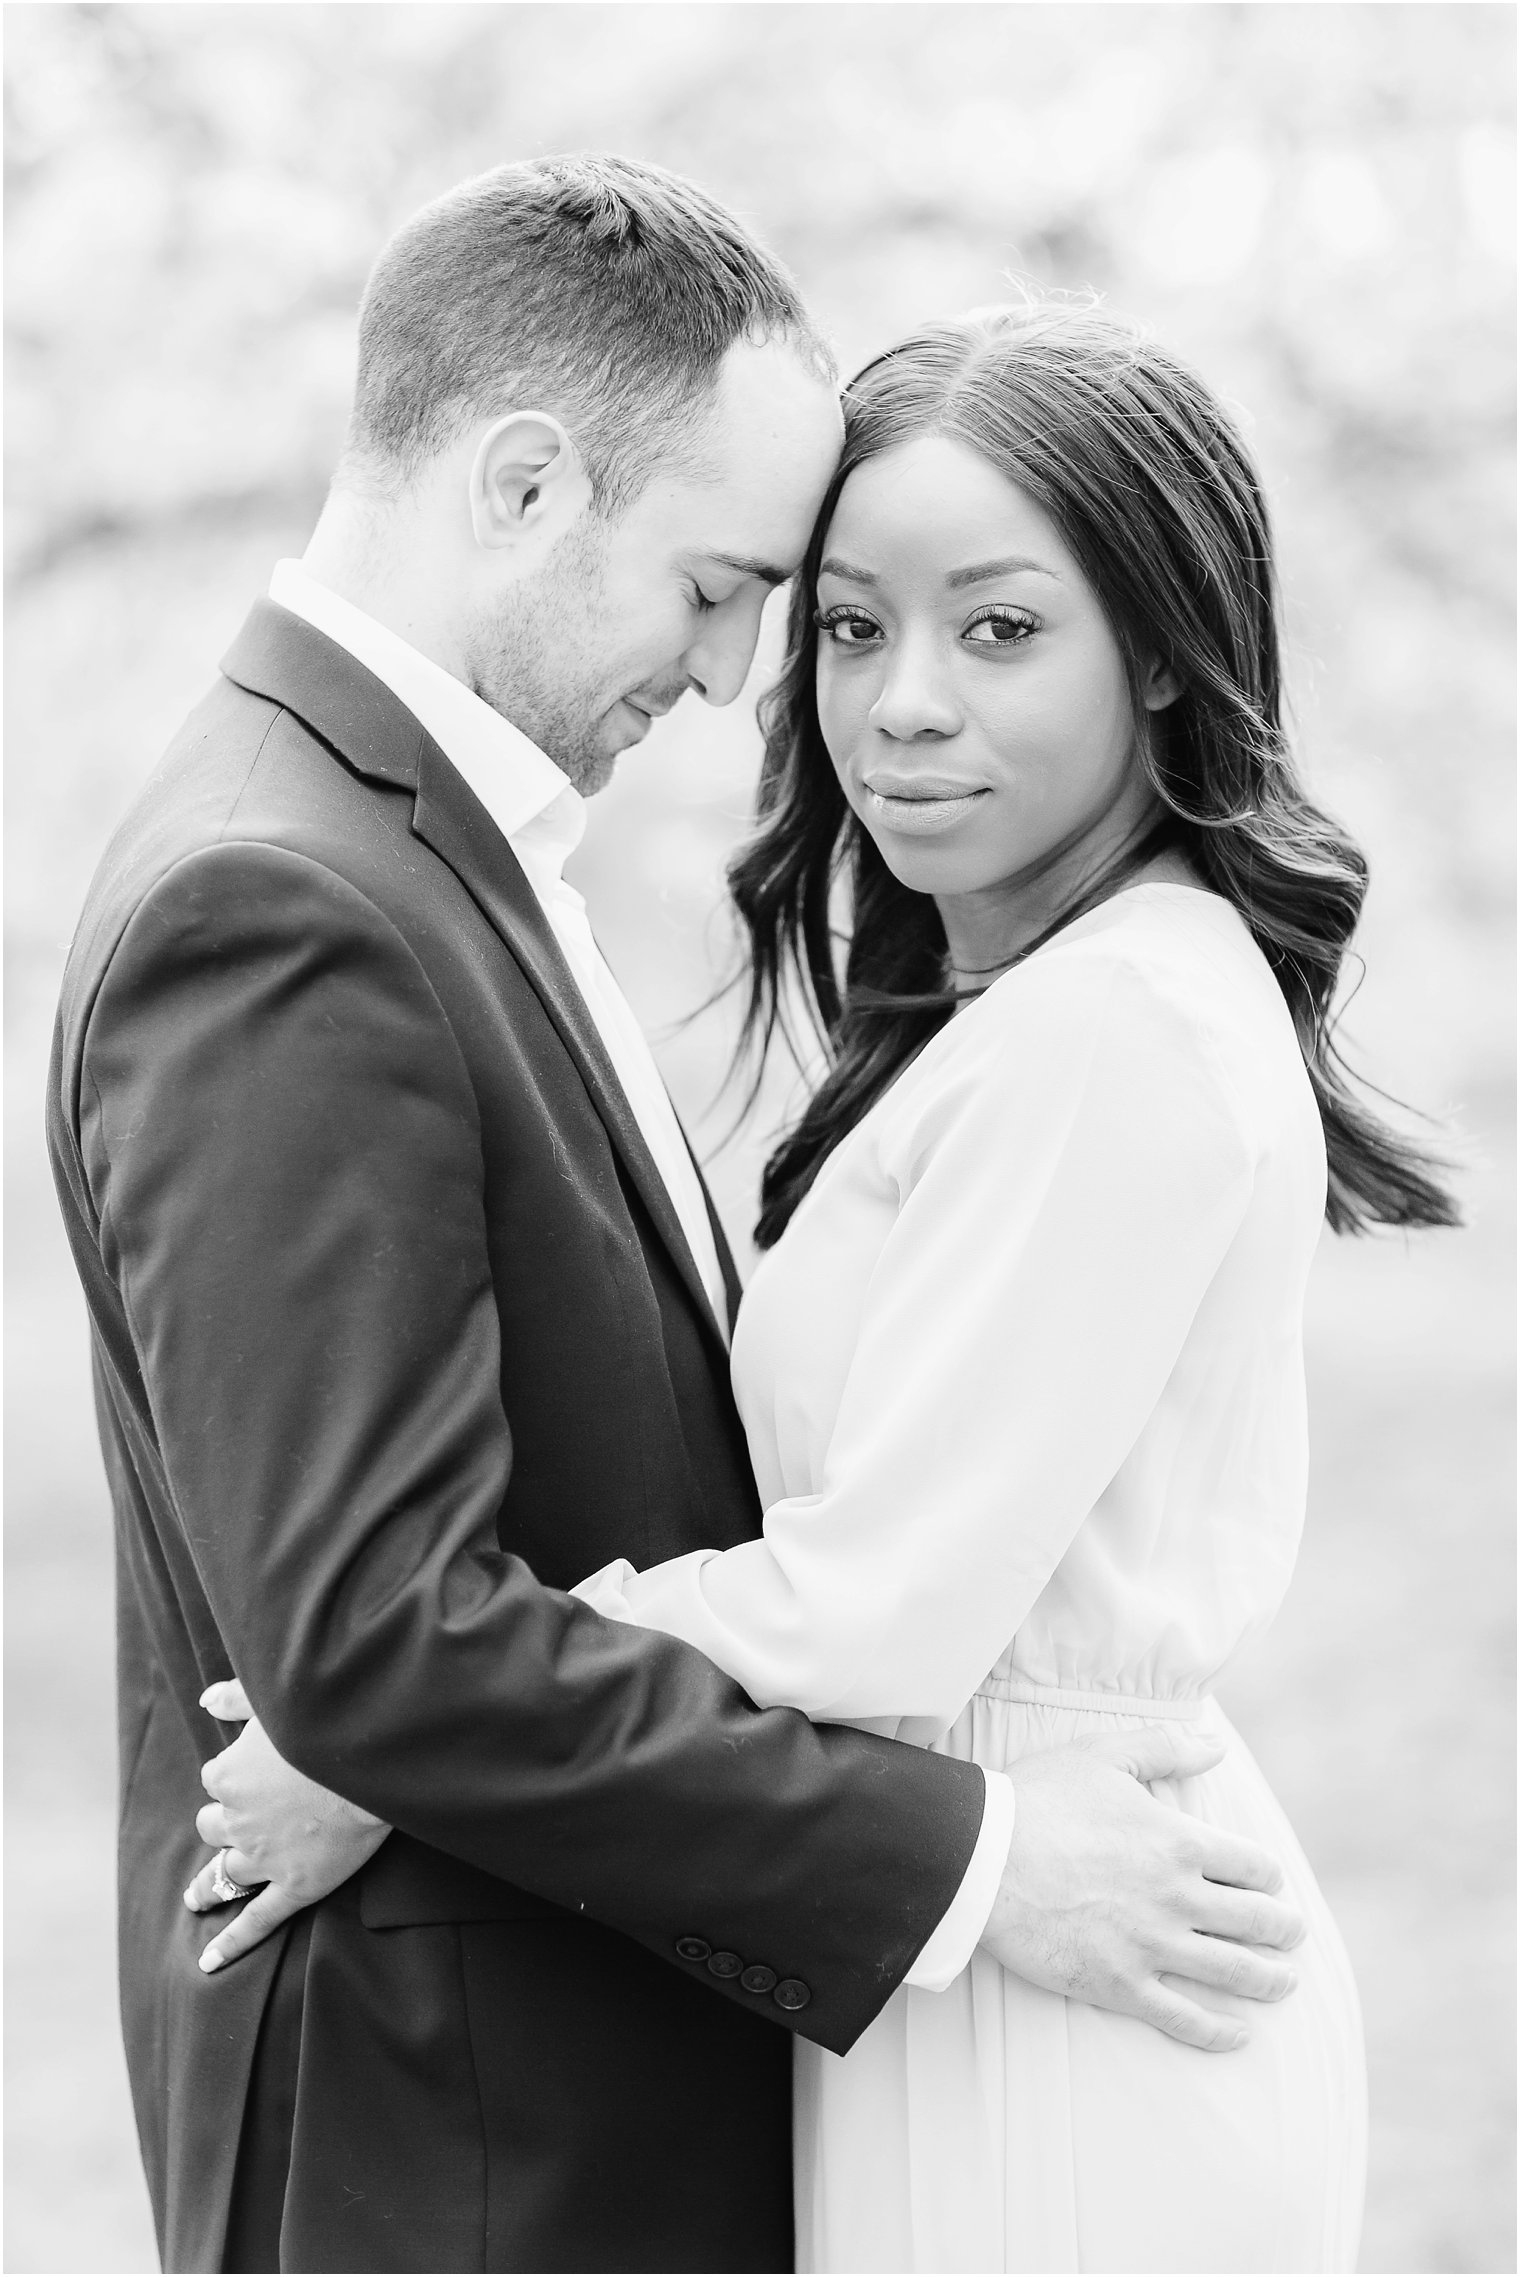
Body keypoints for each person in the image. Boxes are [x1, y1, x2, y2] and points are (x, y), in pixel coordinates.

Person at [49, 163, 1305, 2277]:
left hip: (610, 2088)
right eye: (734, 588)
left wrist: (396, 1735)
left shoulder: (413, 845)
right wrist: (981, 1856)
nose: (747, 680)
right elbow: (370, 1643)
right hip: (451, 2134)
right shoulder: (286, 902)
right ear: (527, 486)